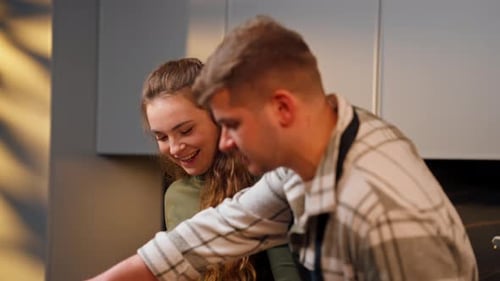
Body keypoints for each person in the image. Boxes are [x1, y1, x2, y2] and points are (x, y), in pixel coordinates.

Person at [87, 15, 478, 281]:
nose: (225, 142)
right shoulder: (312, 154)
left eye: (233, 124)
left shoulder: (381, 214)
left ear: (283, 108)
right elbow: (214, 231)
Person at [141, 57, 302, 281]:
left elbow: (288, 275)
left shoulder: (264, 182)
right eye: (161, 137)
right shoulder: (176, 196)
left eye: (186, 131)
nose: (175, 148)